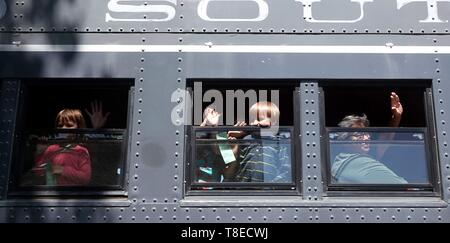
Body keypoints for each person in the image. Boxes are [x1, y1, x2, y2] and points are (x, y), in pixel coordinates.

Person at [331, 92, 407, 184]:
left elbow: (384, 140)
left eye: (367, 133)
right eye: (359, 135)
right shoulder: (356, 163)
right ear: (344, 141)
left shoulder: (344, 158)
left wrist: (396, 117)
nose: (366, 137)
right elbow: (400, 185)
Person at [230, 101, 292, 183]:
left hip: (267, 192)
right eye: (252, 119)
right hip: (244, 190)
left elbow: (286, 171)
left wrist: (271, 187)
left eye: (260, 119)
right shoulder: (246, 141)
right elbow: (233, 168)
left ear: (273, 122)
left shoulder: (278, 143)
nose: (255, 123)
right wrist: (231, 138)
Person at [33, 109, 91, 186]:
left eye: (69, 125)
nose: (63, 128)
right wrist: (40, 153)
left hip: (75, 195)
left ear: (79, 128)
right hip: (53, 194)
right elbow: (38, 172)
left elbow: (85, 178)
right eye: (60, 125)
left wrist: (62, 170)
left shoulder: (81, 151)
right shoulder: (51, 149)